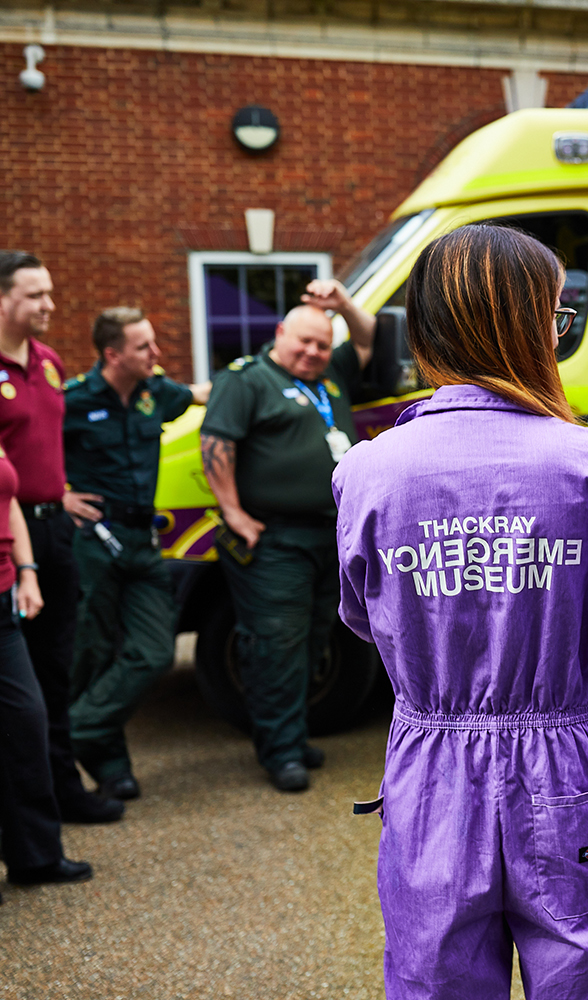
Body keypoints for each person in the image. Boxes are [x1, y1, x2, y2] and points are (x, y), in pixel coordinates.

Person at [333, 224, 588, 999]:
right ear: (522, 328)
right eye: (555, 319)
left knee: (436, 978)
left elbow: (364, 618)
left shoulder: (367, 472)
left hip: (431, 763)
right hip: (568, 757)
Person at [199, 279, 387, 792]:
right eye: (303, 341)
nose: (312, 352)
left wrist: (343, 304)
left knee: (312, 638)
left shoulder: (330, 378)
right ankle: (279, 752)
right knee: (275, 645)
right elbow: (216, 442)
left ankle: (293, 735)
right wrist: (234, 513)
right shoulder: (246, 379)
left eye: (323, 345)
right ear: (279, 333)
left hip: (329, 535)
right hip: (275, 539)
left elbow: (369, 340)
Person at [64, 307, 209, 801]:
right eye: (144, 347)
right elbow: (25, 447)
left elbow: (200, 394)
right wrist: (60, 493)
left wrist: (256, 371)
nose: (157, 354)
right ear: (113, 355)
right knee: (93, 652)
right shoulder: (74, 401)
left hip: (143, 546)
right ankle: (109, 765)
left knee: (152, 653)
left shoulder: (154, 393)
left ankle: (68, 735)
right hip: (92, 545)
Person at [0, 250, 123, 824]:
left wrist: (63, 490)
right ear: (4, 300)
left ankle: (62, 790)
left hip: (54, 534)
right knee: (17, 690)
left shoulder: (47, 362)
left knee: (55, 672)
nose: (50, 304)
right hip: (10, 540)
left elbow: (51, 443)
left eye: (48, 292)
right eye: (35, 295)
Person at [0, 440, 94, 887]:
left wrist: (27, 570)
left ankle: (34, 857)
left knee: (26, 719)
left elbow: (8, 500)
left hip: (4, 598)